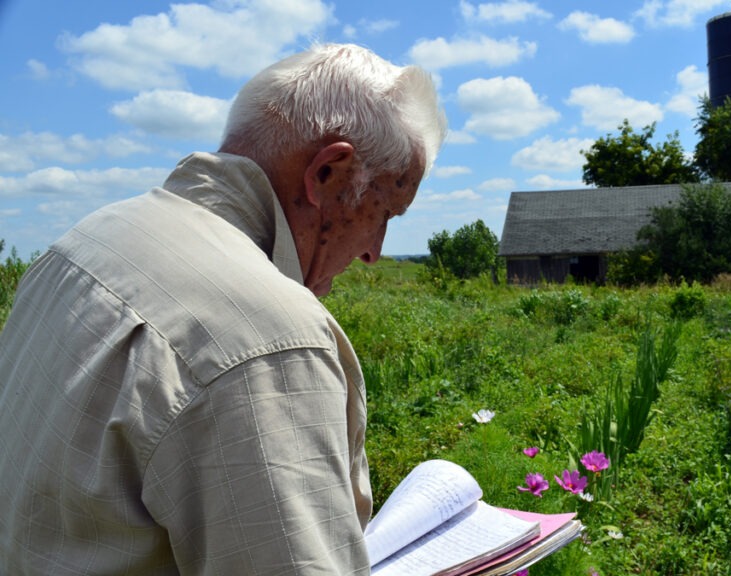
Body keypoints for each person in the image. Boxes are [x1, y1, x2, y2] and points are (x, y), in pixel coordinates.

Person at [0, 43, 446, 574]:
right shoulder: (268, 342)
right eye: (387, 212)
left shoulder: (78, 245)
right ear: (328, 173)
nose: (375, 252)